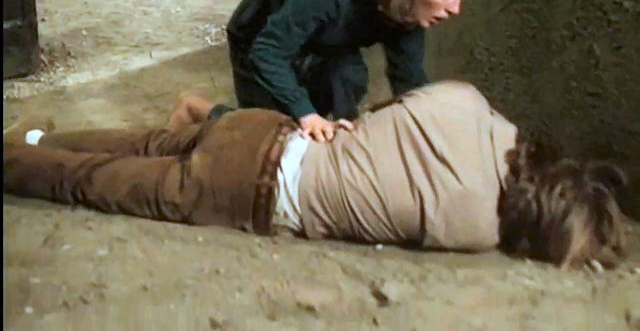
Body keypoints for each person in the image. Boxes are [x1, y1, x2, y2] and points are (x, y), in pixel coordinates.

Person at [3, 81, 627, 269]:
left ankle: (34, 138)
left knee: (143, 141)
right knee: (94, 181)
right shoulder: (476, 229)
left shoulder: (469, 102)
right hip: (246, 192)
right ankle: (16, 155)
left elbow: (377, 116)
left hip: (265, 130)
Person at [170, 0, 480, 142]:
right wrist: (306, 115)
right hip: (261, 38)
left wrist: (434, 125)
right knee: (271, 138)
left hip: (324, 43)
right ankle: (195, 109)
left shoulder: (409, 7)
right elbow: (268, 52)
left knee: (346, 90)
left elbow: (409, 82)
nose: (455, 9)